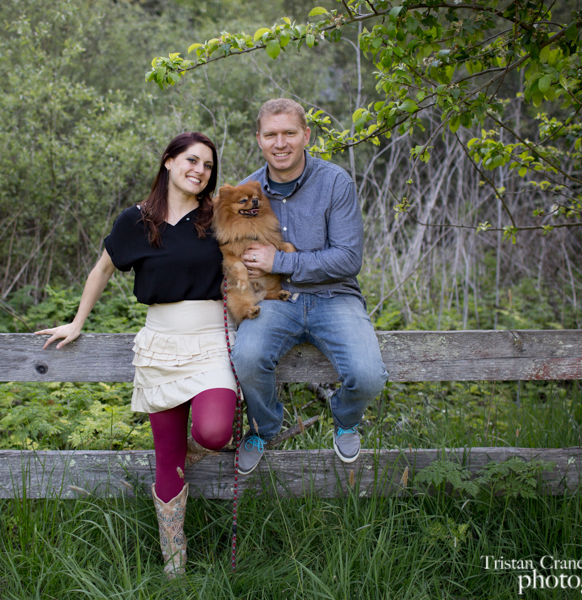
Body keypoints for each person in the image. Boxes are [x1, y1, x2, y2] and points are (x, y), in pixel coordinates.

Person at [36, 132, 237, 579]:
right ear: (168, 162)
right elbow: (102, 268)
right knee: (167, 459)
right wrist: (76, 322)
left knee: (214, 432)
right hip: (160, 346)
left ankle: (187, 463)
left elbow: (255, 257)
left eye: (207, 165)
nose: (199, 171)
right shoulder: (137, 220)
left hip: (212, 343)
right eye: (191, 160)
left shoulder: (219, 216)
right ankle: (173, 563)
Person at [232, 98, 389, 474]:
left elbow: (348, 259)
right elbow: (239, 254)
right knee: (247, 359)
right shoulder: (245, 193)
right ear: (259, 139)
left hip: (335, 298)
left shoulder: (335, 182)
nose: (280, 143)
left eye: (289, 133)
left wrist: (280, 261)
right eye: (271, 134)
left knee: (367, 376)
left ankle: (346, 417)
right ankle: (264, 427)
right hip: (274, 299)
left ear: (306, 135)